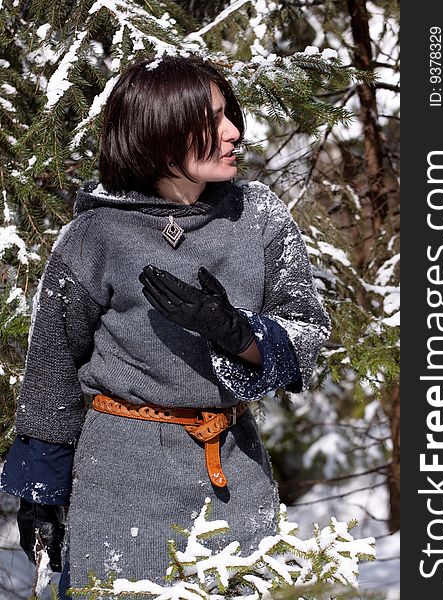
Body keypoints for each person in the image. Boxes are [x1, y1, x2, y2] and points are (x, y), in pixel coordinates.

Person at [0, 55, 331, 596]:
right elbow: (52, 370)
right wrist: (42, 490)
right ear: (161, 132)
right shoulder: (92, 236)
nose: (234, 132)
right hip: (120, 479)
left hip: (233, 474)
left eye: (230, 114)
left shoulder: (260, 217)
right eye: (213, 120)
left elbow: (308, 338)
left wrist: (239, 333)